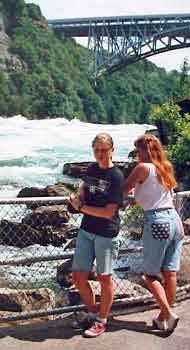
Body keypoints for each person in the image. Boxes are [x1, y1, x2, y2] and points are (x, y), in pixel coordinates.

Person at [123, 134, 184, 333]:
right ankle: (163, 317)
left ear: (143, 150)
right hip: (174, 220)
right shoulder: (165, 166)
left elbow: (122, 190)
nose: (136, 156)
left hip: (157, 221)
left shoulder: (142, 168)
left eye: (138, 151)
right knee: (170, 272)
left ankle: (169, 313)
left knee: (150, 275)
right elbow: (158, 194)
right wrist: (137, 198)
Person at [69, 133, 124, 338]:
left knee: (104, 278)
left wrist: (81, 207)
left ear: (112, 150)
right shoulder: (91, 169)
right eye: (97, 150)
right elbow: (84, 187)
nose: (100, 154)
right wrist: (78, 195)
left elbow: (109, 212)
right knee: (78, 276)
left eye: (104, 149)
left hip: (106, 234)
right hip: (86, 231)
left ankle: (102, 320)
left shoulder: (116, 176)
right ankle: (92, 312)